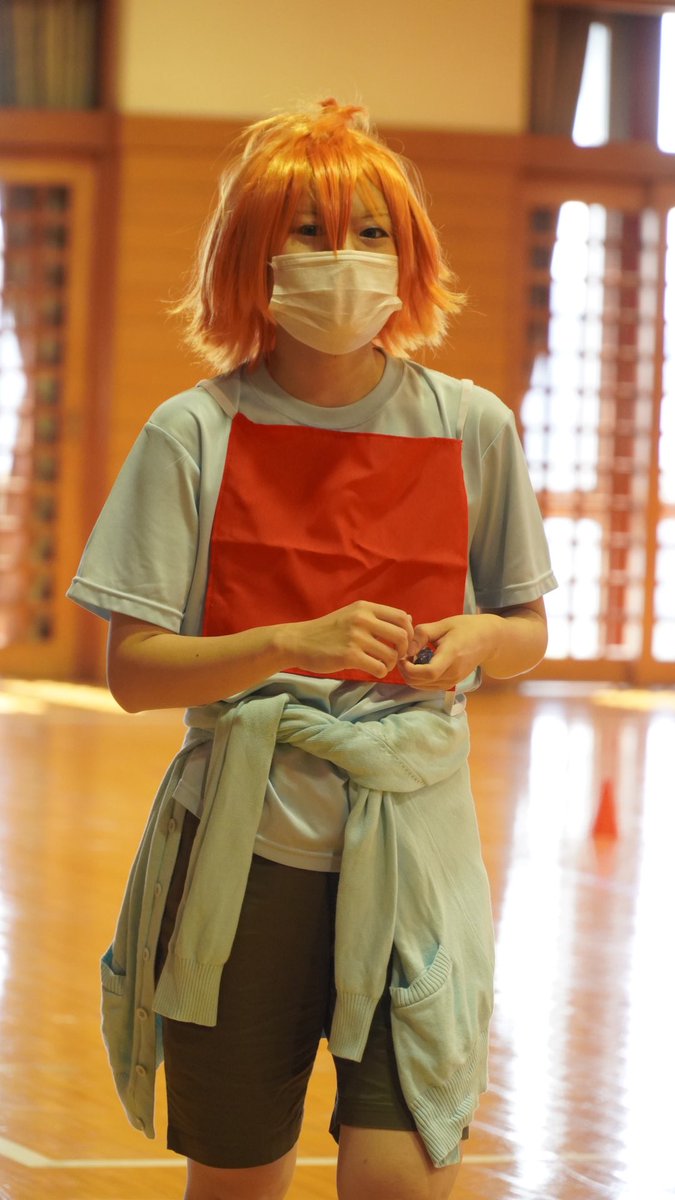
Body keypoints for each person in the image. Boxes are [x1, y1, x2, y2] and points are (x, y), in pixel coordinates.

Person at [68, 98, 557, 1200]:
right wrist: (292, 642)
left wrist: (482, 638)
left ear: (409, 254)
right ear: (254, 255)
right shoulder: (192, 432)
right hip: (243, 853)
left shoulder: (470, 424)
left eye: (371, 231)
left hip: (414, 853)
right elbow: (133, 671)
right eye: (309, 230)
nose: (344, 258)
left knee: (398, 1175)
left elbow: (527, 631)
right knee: (238, 1176)